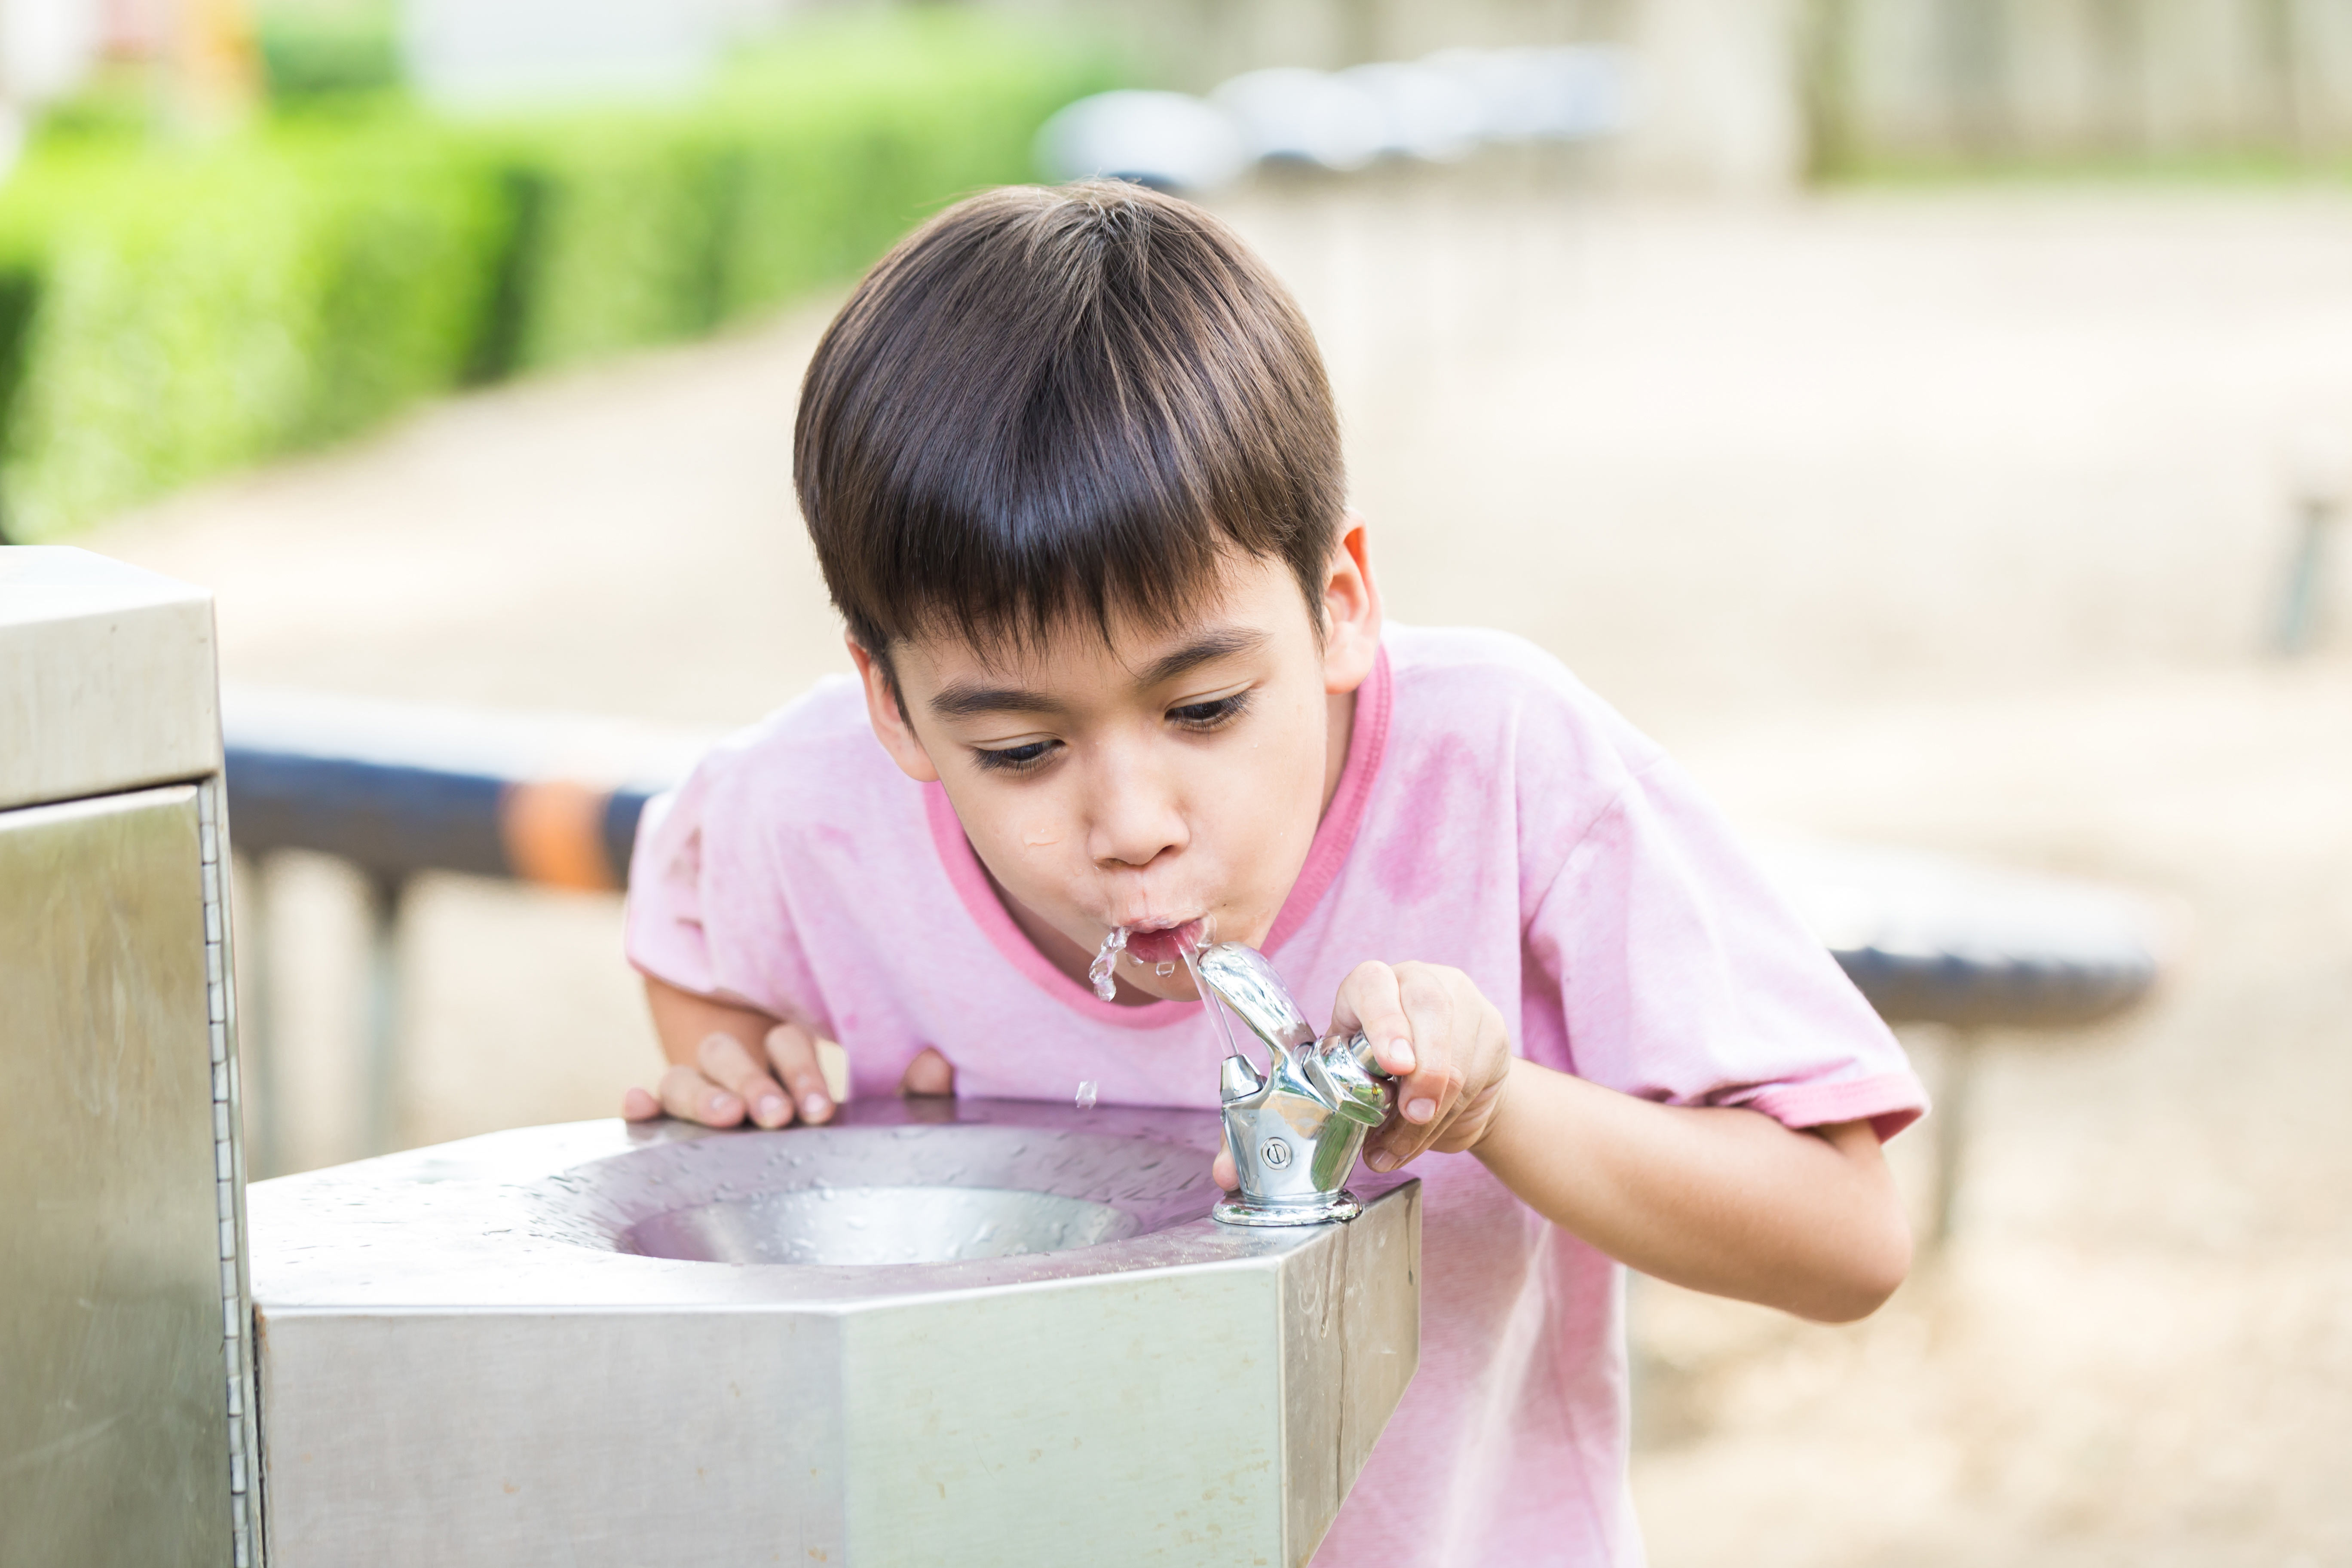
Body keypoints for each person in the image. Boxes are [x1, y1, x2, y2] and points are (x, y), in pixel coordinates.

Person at [620, 180, 1924, 1564]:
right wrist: (758, 1107)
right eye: (1018, 748)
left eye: (1203, 712)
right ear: (890, 705)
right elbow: (691, 933)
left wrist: (1503, 1107)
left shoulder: (1504, 766)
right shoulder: (809, 805)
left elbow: (1842, 1237)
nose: (1134, 821)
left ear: (1339, 607)